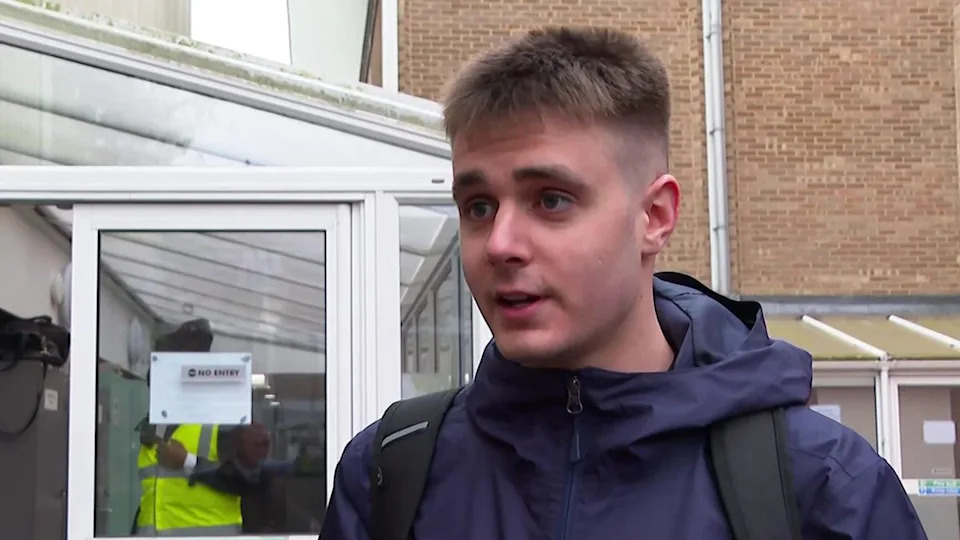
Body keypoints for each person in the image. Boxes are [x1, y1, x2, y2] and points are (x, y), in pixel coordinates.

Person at [320, 26, 927, 539]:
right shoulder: (390, 474)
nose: (500, 243)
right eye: (478, 206)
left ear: (654, 217)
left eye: (551, 200)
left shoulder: (823, 486)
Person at [133, 319, 270, 536]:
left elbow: (250, 481)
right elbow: (153, 499)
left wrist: (188, 462)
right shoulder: (155, 426)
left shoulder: (225, 420)